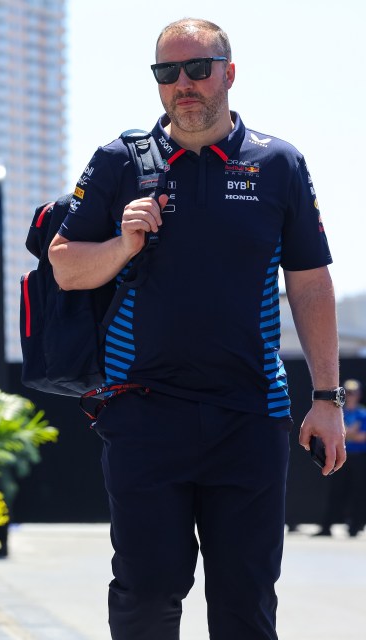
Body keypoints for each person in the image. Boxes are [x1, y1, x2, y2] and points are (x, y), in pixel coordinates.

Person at [48, 18, 345, 639]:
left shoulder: (279, 163)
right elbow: (66, 266)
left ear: (227, 73)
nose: (183, 84)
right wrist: (124, 244)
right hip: (144, 414)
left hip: (250, 415)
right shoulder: (119, 161)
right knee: (146, 595)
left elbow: (311, 282)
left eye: (197, 69)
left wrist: (327, 399)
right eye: (167, 73)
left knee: (245, 603)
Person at [314, 379, 366, 537]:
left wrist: (346, 432)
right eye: (347, 393)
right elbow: (335, 434)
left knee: (358, 493)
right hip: (340, 456)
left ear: (359, 395)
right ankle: (326, 527)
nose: (350, 396)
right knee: (335, 492)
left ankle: (355, 527)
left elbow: (361, 437)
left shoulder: (362, 413)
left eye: (353, 393)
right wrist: (349, 432)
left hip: (358, 458)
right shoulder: (338, 411)